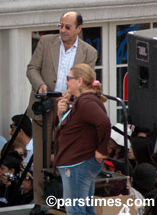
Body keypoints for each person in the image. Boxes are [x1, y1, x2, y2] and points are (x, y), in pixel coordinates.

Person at [26, 11, 98, 207]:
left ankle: (63, 203)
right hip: (44, 108)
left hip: (70, 112)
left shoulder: (89, 52)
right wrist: (40, 85)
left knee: (66, 158)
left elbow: (88, 82)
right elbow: (32, 68)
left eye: (67, 27)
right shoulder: (46, 42)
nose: (63, 30)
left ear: (78, 29)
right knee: (41, 161)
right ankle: (41, 204)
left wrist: (71, 93)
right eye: (61, 26)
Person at [54, 63, 111, 215]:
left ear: (79, 81)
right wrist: (61, 114)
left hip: (78, 164)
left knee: (76, 211)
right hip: (78, 163)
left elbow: (104, 123)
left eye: (69, 78)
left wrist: (101, 150)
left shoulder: (86, 102)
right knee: (84, 209)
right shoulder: (82, 101)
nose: (66, 82)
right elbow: (72, 130)